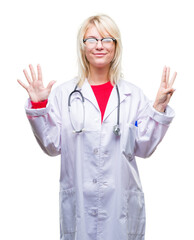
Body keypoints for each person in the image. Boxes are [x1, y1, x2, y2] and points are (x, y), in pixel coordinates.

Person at [17, 14, 177, 240]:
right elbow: (52, 145)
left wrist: (158, 108)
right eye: (91, 39)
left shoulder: (133, 95)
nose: (99, 45)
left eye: (106, 39)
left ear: (116, 46)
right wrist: (39, 104)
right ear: (82, 47)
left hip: (121, 208)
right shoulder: (65, 94)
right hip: (80, 207)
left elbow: (144, 147)